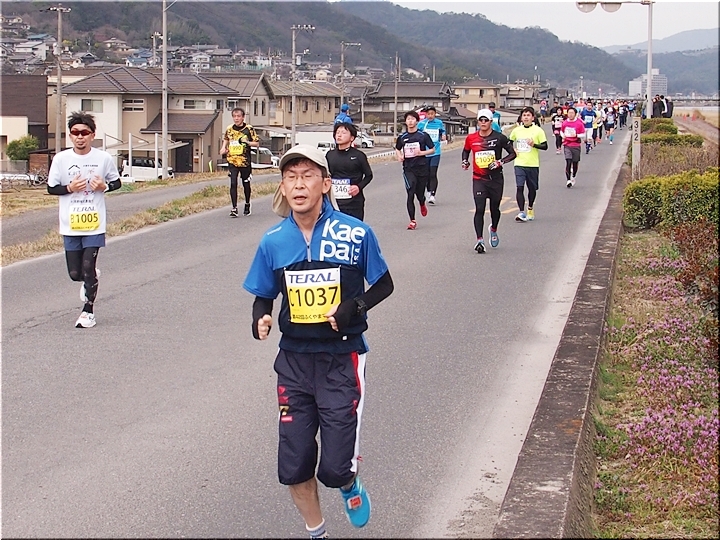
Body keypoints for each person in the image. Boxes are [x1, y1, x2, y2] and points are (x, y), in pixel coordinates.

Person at [243, 144, 394, 539]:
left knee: (334, 469)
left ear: (325, 184)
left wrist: (354, 307)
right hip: (293, 362)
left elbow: (384, 284)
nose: (299, 185)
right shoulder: (273, 240)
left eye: (307, 176)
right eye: (290, 177)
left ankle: (348, 483)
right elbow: (263, 294)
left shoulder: (355, 233)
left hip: (341, 359)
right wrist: (260, 318)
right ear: (282, 186)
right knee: (294, 466)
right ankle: (317, 533)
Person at [47, 111, 122, 328]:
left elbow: (117, 182)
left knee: (88, 266)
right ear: (70, 136)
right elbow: (51, 188)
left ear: (92, 135)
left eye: (85, 133)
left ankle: (88, 311)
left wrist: (104, 187)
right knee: (75, 273)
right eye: (75, 132)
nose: (80, 137)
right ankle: (90, 278)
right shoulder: (61, 159)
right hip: (70, 223)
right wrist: (69, 188)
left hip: (94, 223)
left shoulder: (103, 158)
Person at [461, 108, 516, 253]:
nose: (483, 122)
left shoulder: (499, 137)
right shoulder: (471, 138)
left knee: (494, 209)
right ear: (477, 122)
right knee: (479, 209)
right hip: (479, 179)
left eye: (486, 120)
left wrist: (500, 162)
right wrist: (465, 161)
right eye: (481, 120)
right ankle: (479, 240)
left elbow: (512, 154)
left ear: (491, 121)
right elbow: (466, 150)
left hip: (495, 179)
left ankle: (493, 228)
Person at [395, 110, 436, 230]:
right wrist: (399, 156)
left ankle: (422, 203)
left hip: (422, 168)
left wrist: (421, 153)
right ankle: (412, 220)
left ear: (417, 121)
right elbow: (397, 149)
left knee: (420, 194)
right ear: (405, 121)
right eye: (408, 119)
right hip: (408, 168)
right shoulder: (402, 137)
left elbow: (432, 149)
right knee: (410, 192)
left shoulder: (423, 135)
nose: (410, 121)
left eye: (412, 119)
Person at [325, 122, 373, 221]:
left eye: (343, 133)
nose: (339, 135)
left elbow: (369, 175)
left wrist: (358, 187)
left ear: (352, 138)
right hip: (334, 201)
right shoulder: (330, 155)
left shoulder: (359, 156)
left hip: (353, 202)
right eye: (337, 132)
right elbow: (325, 175)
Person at [509, 106, 548, 222]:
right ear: (521, 118)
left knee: (532, 189)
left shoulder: (538, 131)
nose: (526, 117)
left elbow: (545, 146)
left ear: (533, 118)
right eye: (524, 115)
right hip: (519, 163)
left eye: (528, 115)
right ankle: (521, 212)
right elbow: (509, 143)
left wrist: (534, 144)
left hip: (532, 164)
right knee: (519, 187)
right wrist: (513, 150)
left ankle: (530, 208)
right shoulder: (516, 130)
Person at [219, 107, 260, 217]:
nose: (236, 118)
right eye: (234, 116)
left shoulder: (249, 129)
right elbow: (226, 139)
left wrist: (247, 143)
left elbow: (256, 143)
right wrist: (223, 148)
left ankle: (247, 203)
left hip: (245, 161)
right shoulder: (229, 129)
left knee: (246, 183)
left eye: (238, 116)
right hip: (232, 160)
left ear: (243, 117)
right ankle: (234, 208)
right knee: (233, 183)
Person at [417, 105, 446, 204]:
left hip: (435, 152)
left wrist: (443, 135)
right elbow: (417, 135)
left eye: (432, 114)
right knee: (426, 174)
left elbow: (442, 131)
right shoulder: (421, 124)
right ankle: (428, 191)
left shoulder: (439, 123)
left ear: (435, 114)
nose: (430, 116)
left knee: (433, 173)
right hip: (424, 153)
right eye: (428, 114)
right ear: (425, 114)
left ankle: (432, 194)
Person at [560, 106, 585, 188]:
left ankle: (573, 176)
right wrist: (563, 136)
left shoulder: (579, 123)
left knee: (575, 163)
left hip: (576, 145)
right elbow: (561, 131)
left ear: (575, 114)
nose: (570, 114)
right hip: (567, 144)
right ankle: (568, 180)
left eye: (572, 113)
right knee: (568, 161)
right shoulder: (565, 123)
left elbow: (583, 134)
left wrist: (576, 135)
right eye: (569, 113)